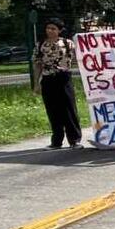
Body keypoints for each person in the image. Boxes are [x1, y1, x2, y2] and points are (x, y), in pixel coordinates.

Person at [33, 18, 83, 150]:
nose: (50, 31)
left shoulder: (68, 43)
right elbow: (37, 65)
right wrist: (37, 83)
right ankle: (56, 141)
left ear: (59, 30)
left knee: (69, 109)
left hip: (64, 78)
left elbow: (80, 59)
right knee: (53, 110)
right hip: (48, 79)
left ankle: (75, 140)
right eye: (48, 28)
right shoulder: (41, 45)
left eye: (53, 28)